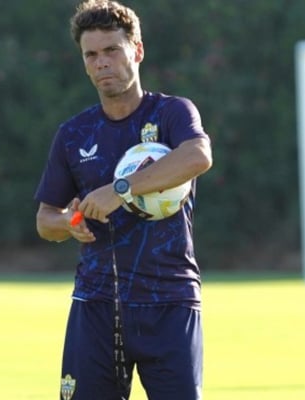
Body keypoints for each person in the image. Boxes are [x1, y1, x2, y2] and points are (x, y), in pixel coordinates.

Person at [34, 1, 212, 399]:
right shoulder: (74, 134)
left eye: (112, 50)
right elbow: (46, 220)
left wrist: (120, 189)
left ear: (137, 50)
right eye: (91, 55)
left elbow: (198, 156)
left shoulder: (171, 113)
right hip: (96, 304)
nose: (102, 62)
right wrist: (70, 223)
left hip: (169, 300)